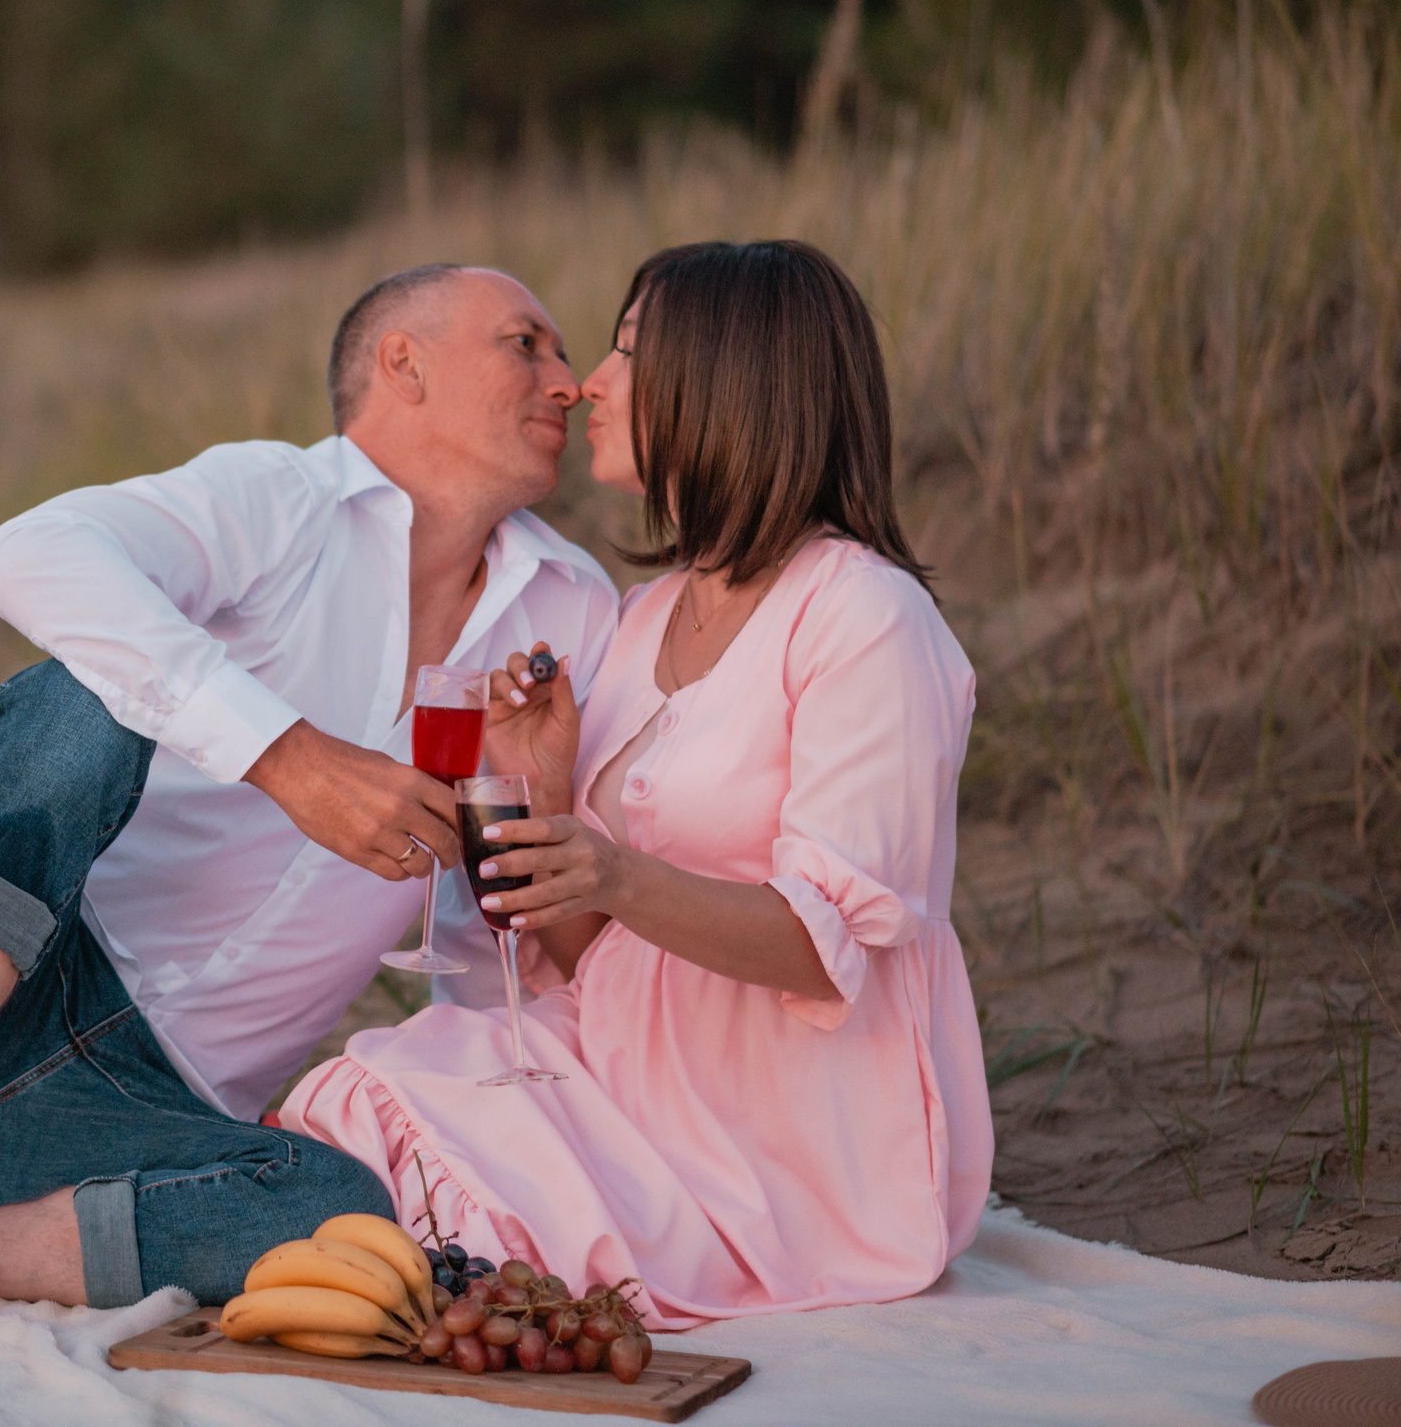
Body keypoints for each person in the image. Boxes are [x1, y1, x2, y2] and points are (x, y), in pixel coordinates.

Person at [0, 263, 620, 1344]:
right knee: (84, 696)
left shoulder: (571, 608)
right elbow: (28, 554)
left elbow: (486, 957)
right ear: (404, 363)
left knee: (335, 1210)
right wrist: (286, 757)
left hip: (125, 1117)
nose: (566, 382)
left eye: (565, 357)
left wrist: (527, 806)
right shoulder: (280, 499)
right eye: (528, 343)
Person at [280, 239, 993, 1326]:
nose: (585, 384)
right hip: (628, 1071)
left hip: (789, 1139)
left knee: (422, 1200)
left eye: (622, 352)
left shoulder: (865, 617)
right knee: (353, 1105)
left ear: (726, 383)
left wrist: (609, 868)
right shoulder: (647, 614)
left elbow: (823, 941)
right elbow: (596, 965)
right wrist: (547, 797)